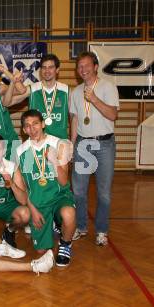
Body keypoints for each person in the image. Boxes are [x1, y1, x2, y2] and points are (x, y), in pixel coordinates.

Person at [70, 51, 119, 246]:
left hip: (104, 144)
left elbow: (113, 115)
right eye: (79, 66)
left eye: (86, 65)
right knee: (78, 191)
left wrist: (95, 99)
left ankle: (101, 231)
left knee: (104, 192)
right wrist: (72, 146)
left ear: (95, 67)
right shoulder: (75, 92)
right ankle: (81, 227)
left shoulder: (108, 87)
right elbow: (74, 120)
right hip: (82, 145)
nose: (82, 69)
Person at [16, 110, 76, 266]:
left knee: (69, 214)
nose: (32, 129)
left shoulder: (59, 144)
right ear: (23, 130)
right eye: (27, 126)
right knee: (41, 251)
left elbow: (63, 182)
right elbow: (23, 189)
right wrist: (33, 210)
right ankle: (53, 224)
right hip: (39, 203)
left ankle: (65, 243)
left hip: (58, 197)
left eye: (35, 123)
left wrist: (53, 161)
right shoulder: (20, 151)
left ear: (43, 124)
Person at [11, 54, 70, 139]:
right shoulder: (32, 89)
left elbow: (74, 117)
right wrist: (13, 81)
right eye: (44, 67)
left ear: (57, 70)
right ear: (40, 70)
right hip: (37, 143)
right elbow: (12, 98)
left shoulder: (66, 90)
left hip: (59, 143)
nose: (47, 70)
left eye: (51, 67)